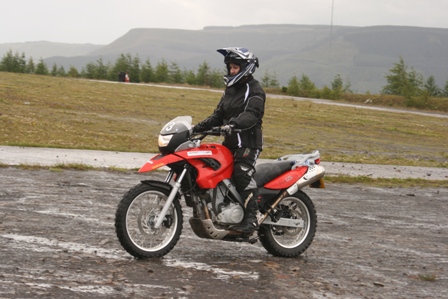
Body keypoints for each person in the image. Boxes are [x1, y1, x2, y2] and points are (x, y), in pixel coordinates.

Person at [192, 47, 266, 234]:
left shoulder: (255, 90)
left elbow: (252, 115)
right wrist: (194, 129)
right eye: (230, 67)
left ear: (245, 68)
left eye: (235, 67)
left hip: (248, 144)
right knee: (219, 174)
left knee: (242, 176)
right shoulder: (230, 90)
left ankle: (252, 219)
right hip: (231, 144)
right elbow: (217, 115)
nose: (232, 70)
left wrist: (233, 124)